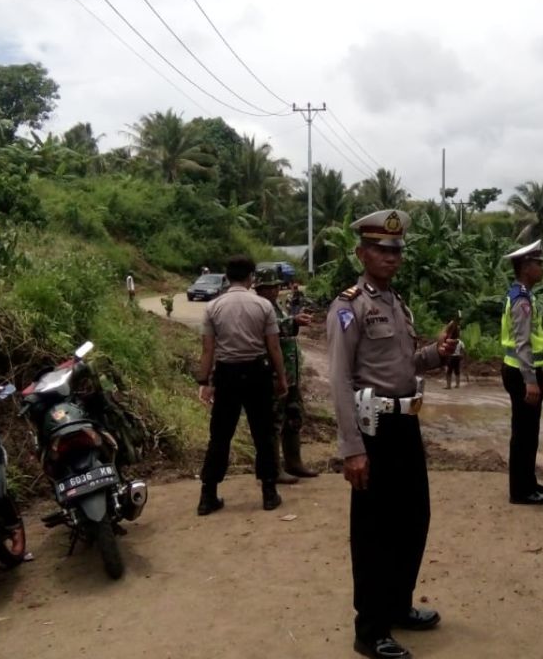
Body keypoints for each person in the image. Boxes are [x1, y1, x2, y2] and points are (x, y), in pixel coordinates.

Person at [326, 209, 457, 659]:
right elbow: (340, 379)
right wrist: (352, 449)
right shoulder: (349, 307)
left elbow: (404, 365)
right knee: (374, 532)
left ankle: (398, 605)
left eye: (396, 249)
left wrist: (436, 354)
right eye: (382, 249)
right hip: (373, 429)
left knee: (412, 519)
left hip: (406, 424)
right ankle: (370, 629)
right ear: (362, 252)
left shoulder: (396, 304)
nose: (391, 256)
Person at [194, 255, 289, 515]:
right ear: (251, 278)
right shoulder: (263, 306)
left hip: (227, 375)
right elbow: (274, 347)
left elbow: (207, 350)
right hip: (257, 373)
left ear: (226, 276)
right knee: (263, 433)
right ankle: (269, 492)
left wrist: (205, 381)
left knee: (221, 435)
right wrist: (281, 378)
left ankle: (207, 495)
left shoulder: (213, 307)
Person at [500, 240, 543, 505]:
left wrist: (542, 371)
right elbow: (522, 343)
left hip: (524, 371)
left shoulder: (523, 294)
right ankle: (521, 491)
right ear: (525, 267)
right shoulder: (521, 299)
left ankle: (528, 482)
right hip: (520, 374)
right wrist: (531, 381)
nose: (542, 268)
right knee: (524, 434)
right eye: (538, 264)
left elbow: (533, 342)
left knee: (529, 432)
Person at [254, 268, 319, 485]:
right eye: (269, 287)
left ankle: (294, 462)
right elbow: (270, 332)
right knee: (274, 422)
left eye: (275, 286)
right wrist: (294, 321)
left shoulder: (276, 307)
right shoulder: (259, 308)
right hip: (273, 375)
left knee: (293, 417)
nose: (273, 290)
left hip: (290, 374)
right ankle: (273, 469)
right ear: (259, 288)